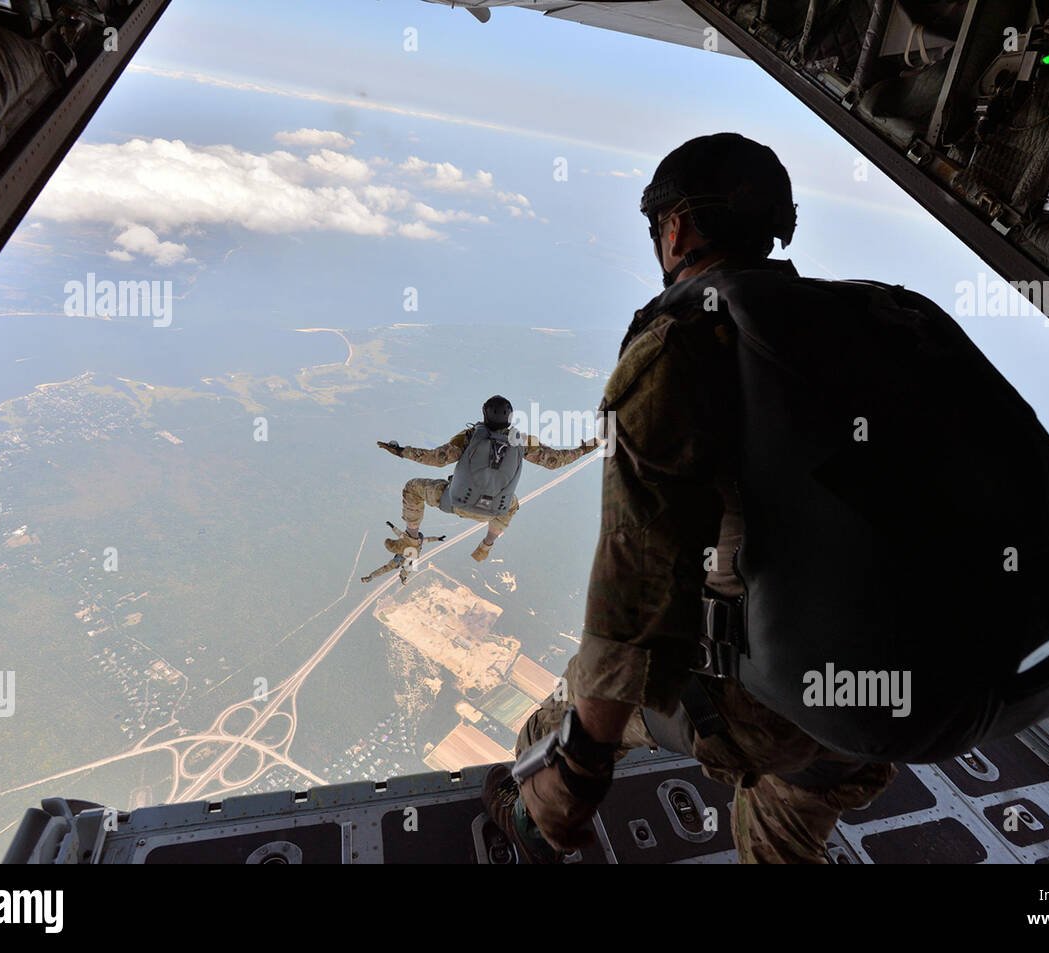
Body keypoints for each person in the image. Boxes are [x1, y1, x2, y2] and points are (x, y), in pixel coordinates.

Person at [482, 133, 897, 863]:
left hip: (776, 709)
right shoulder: (872, 324)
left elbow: (631, 605)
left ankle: (518, 831)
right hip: (898, 698)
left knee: (549, 727)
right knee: (784, 819)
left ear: (675, 229)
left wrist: (575, 773)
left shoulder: (683, 348)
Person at [364, 395, 599, 583]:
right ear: (510, 418)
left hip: (453, 501)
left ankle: (411, 540)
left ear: (484, 414)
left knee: (412, 488)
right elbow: (555, 461)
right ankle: (486, 545)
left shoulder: (469, 437)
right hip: (494, 511)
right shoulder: (523, 441)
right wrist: (587, 447)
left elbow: (436, 458)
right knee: (513, 503)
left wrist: (401, 451)